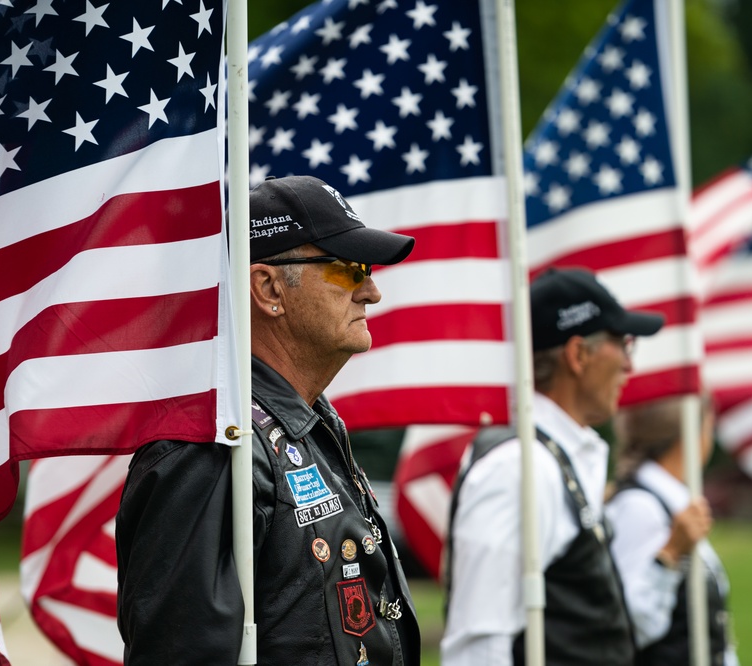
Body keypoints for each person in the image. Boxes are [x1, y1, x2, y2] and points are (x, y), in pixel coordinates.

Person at [116, 175, 421, 665]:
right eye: (348, 269)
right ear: (268, 288)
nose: (371, 291)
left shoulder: (312, 420)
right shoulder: (212, 446)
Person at [440, 266, 664, 665]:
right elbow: (479, 645)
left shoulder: (550, 457)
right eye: (622, 343)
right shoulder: (518, 468)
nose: (630, 366)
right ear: (578, 355)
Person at [605, 395, 739, 666]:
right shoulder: (640, 507)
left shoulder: (669, 502)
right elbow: (629, 625)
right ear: (692, 431)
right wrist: (669, 555)